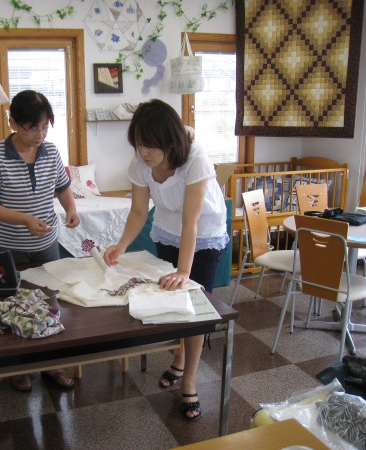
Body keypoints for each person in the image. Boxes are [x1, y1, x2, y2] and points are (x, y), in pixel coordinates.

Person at [103, 99, 228, 420]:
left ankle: (189, 380)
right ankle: (179, 359)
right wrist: (120, 246)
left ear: (169, 141)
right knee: (173, 302)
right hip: (168, 231)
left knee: (195, 310)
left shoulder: (195, 158)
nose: (144, 153)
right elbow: (138, 211)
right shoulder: (140, 163)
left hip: (203, 233)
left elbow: (191, 221)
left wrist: (184, 271)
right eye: (139, 144)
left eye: (151, 145)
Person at [0, 90, 80, 392]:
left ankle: (50, 363)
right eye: (32, 127)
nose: (40, 134)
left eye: (45, 127)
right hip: (7, 247)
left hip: (46, 245)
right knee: (14, 305)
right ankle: (18, 367)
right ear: (13, 123)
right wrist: (24, 219)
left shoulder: (51, 151)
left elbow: (62, 188)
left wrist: (71, 209)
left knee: (49, 303)